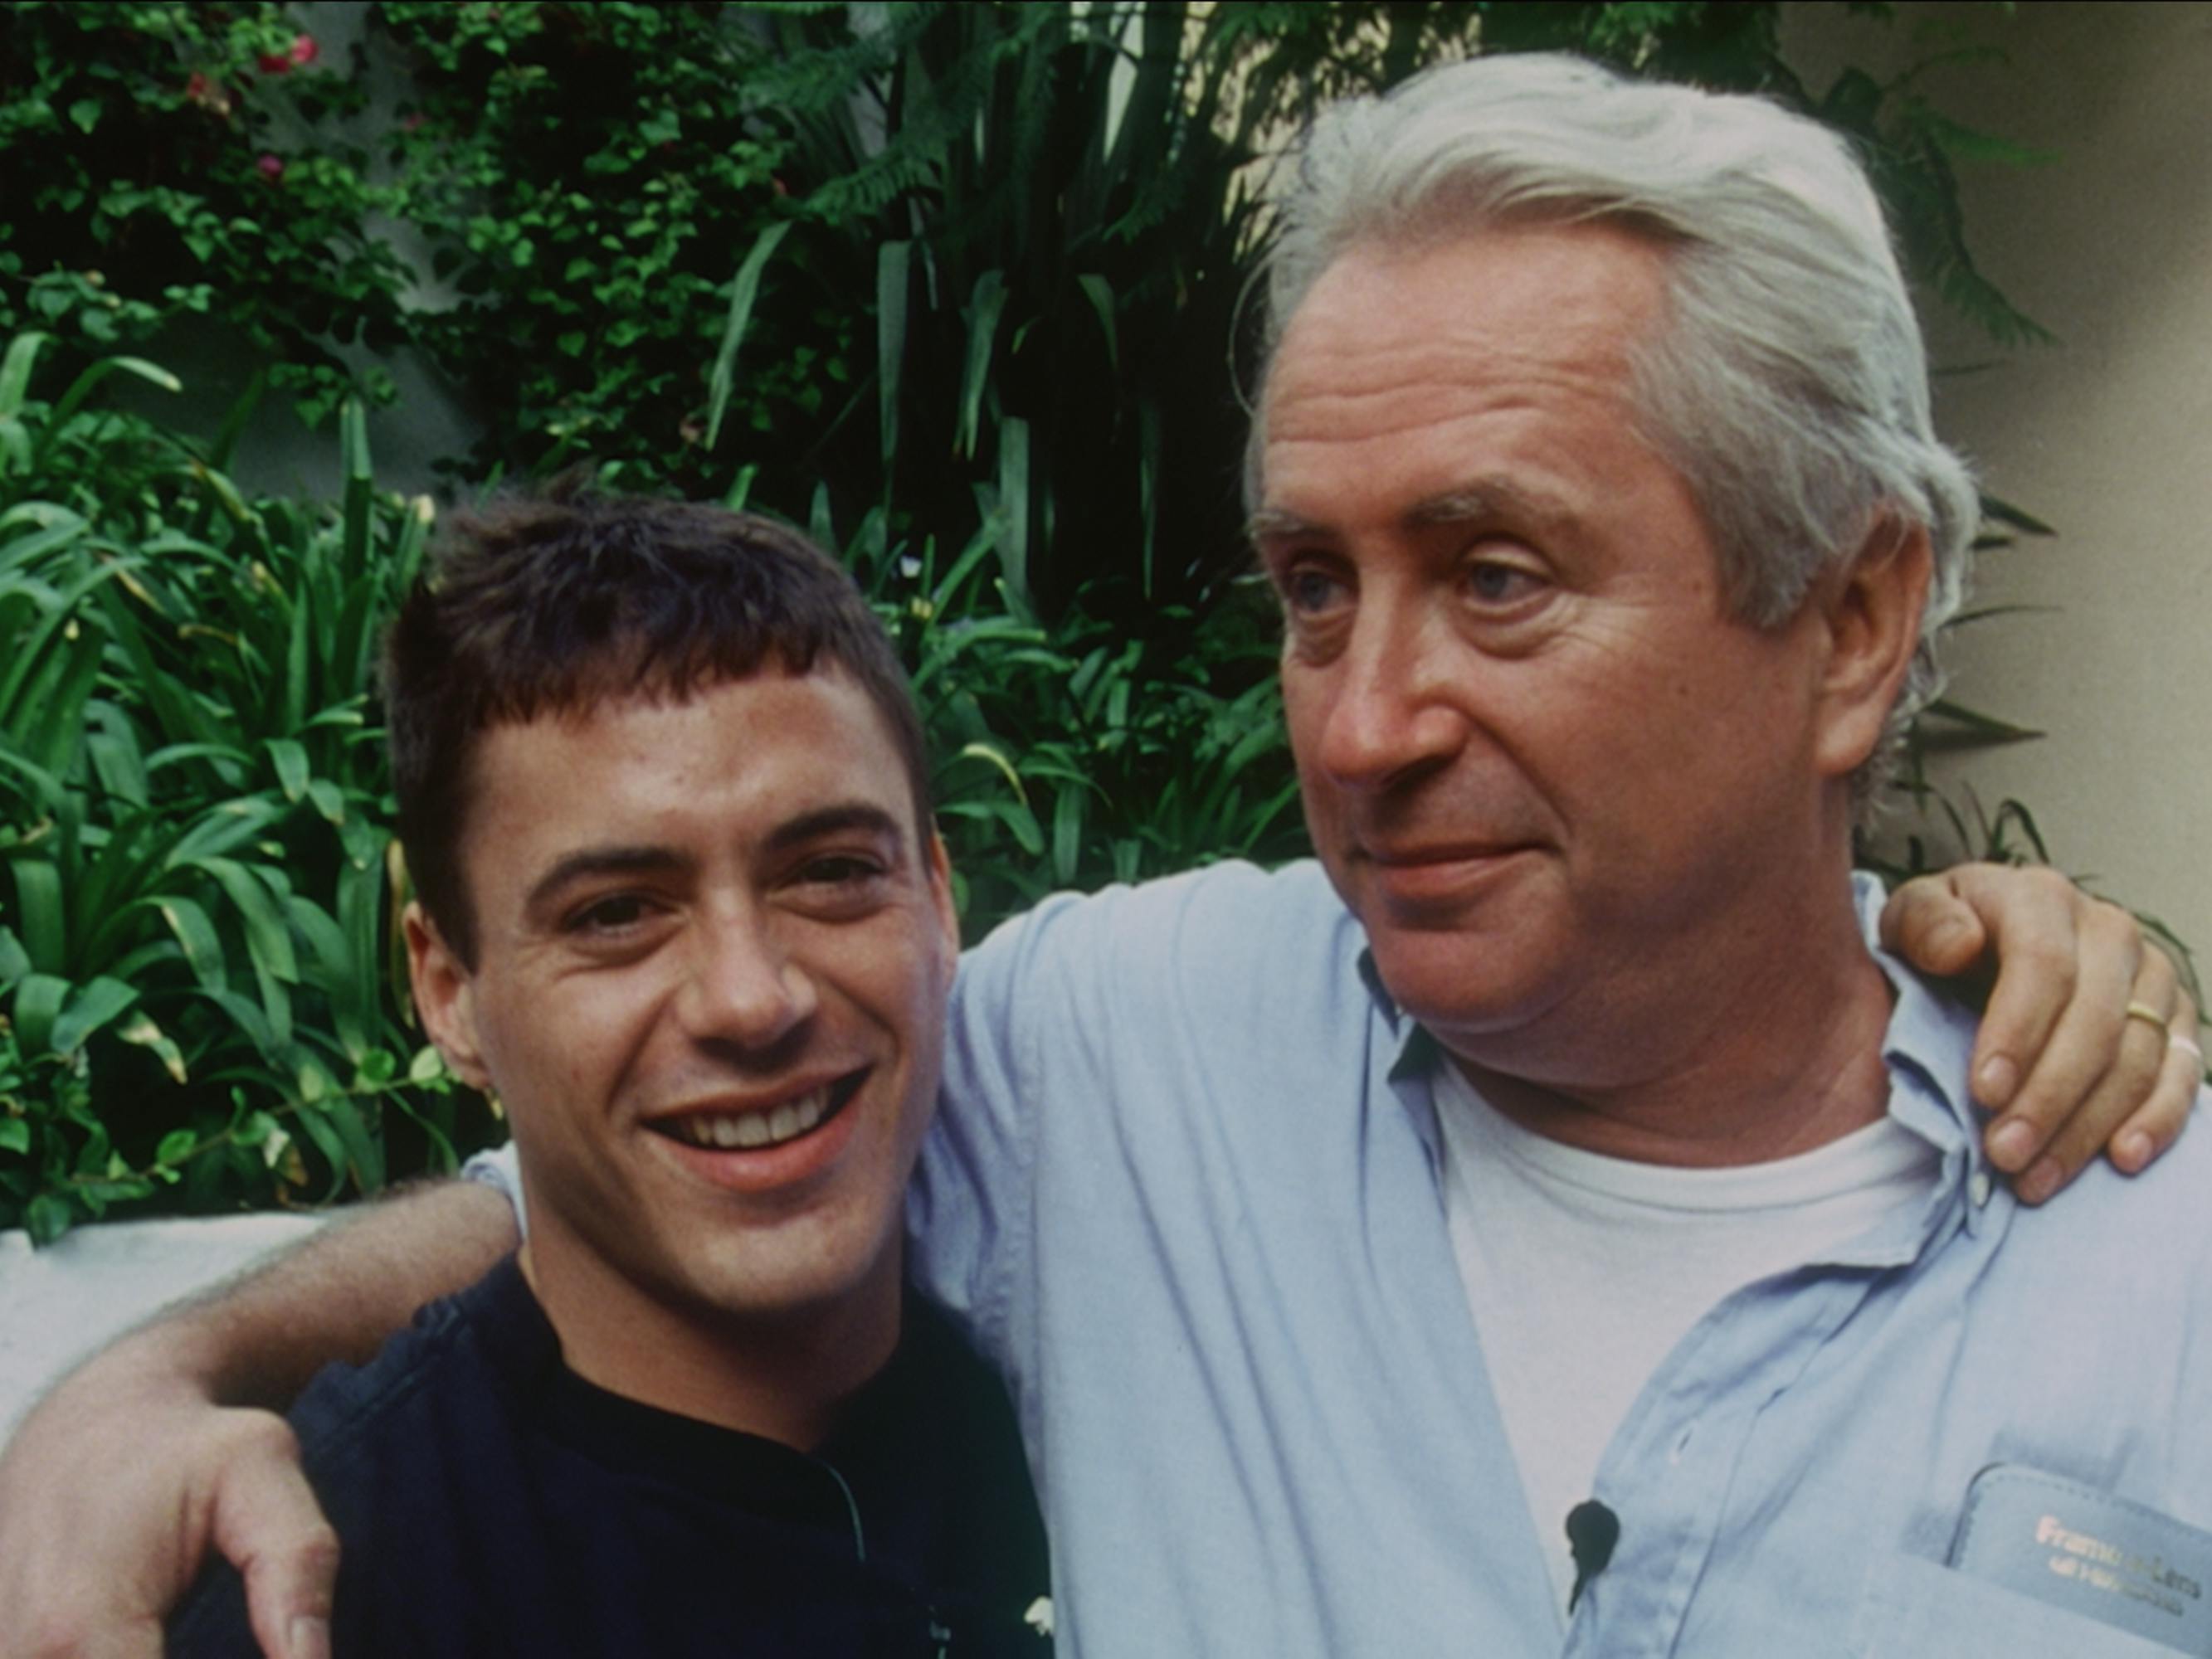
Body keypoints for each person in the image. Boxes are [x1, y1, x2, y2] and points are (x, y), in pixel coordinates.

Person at [2, 50, 2205, 1659]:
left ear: (1849, 617)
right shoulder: (1130, 1049)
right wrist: (138, 1386)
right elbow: (583, 1184)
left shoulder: (2160, 1260)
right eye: (1314, 587)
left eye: (1499, 578)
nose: (1355, 726)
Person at [163, 496, 1050, 1656]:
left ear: (937, 899)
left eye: (830, 872)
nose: (751, 998)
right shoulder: (325, 1589)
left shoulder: (1081, 1422)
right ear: (449, 991)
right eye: (617, 913)